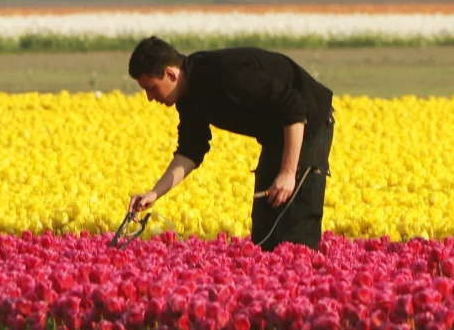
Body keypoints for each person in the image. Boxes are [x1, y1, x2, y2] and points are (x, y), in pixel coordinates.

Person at [126, 36, 335, 251]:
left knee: (295, 231)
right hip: (277, 136)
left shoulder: (224, 73)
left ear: (170, 73)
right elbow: (190, 151)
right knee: (265, 234)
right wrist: (154, 193)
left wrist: (289, 172)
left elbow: (293, 106)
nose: (150, 98)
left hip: (308, 125)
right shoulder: (188, 98)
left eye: (151, 88)